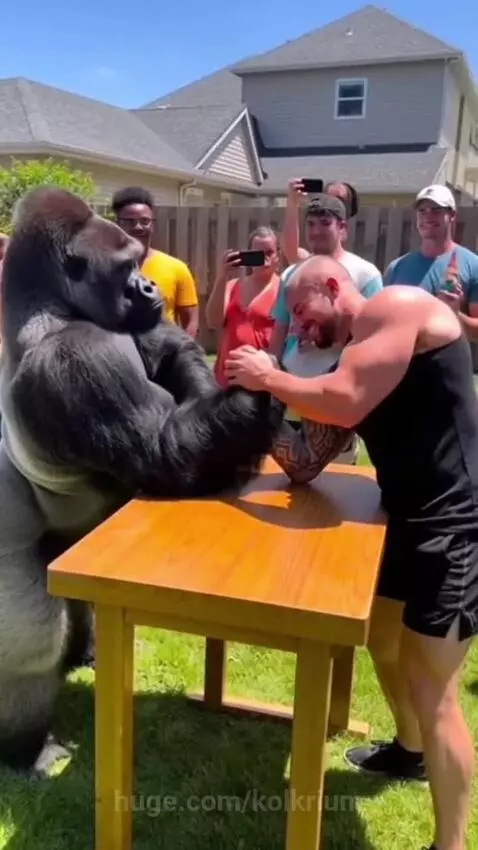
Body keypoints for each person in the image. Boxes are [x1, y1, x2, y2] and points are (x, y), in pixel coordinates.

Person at [224, 254, 478, 850]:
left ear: (335, 287)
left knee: (433, 687)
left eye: (304, 311)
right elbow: (310, 459)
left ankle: (452, 843)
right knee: (385, 644)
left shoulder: (397, 306)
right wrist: (255, 412)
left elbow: (343, 400)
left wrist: (270, 376)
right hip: (405, 517)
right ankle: (410, 752)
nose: (301, 327)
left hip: (455, 525)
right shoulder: (356, 356)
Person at [270, 194, 382, 466]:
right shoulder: (292, 276)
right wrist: (271, 376)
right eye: (310, 224)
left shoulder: (366, 274)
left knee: (337, 479)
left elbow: (372, 333)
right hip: (294, 384)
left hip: (337, 392)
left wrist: (326, 339)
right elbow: (280, 329)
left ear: (342, 228)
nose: (317, 231)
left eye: (325, 223)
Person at [384, 184, 478, 342]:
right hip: (405, 364)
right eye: (422, 211)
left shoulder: (473, 266)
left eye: (436, 210)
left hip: (450, 364)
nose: (428, 216)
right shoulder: (397, 268)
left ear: (452, 215)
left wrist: (455, 315)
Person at [111, 187, 199, 337]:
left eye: (145, 221)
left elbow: (190, 321)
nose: (138, 227)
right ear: (117, 224)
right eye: (129, 222)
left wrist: (181, 355)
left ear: (153, 224)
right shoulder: (102, 267)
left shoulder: (176, 268)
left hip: (161, 355)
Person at [205, 226, 280, 387]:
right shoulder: (232, 286)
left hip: (260, 382)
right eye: (258, 253)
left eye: (269, 253)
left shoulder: (283, 290)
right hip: (226, 379)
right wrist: (222, 276)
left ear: (277, 256)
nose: (264, 259)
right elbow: (213, 321)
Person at [281, 178, 359, 266]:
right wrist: (292, 202)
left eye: (339, 200)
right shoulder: (308, 263)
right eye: (327, 198)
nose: (331, 204)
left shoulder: (361, 271)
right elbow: (292, 254)